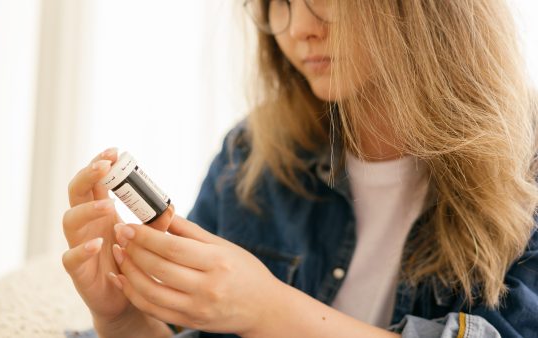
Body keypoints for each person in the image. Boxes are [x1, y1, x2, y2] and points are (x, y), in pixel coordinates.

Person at [62, 0, 538, 337]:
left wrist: (267, 309)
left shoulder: (526, 165)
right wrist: (123, 318)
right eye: (279, 1)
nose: (298, 29)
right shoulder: (250, 155)